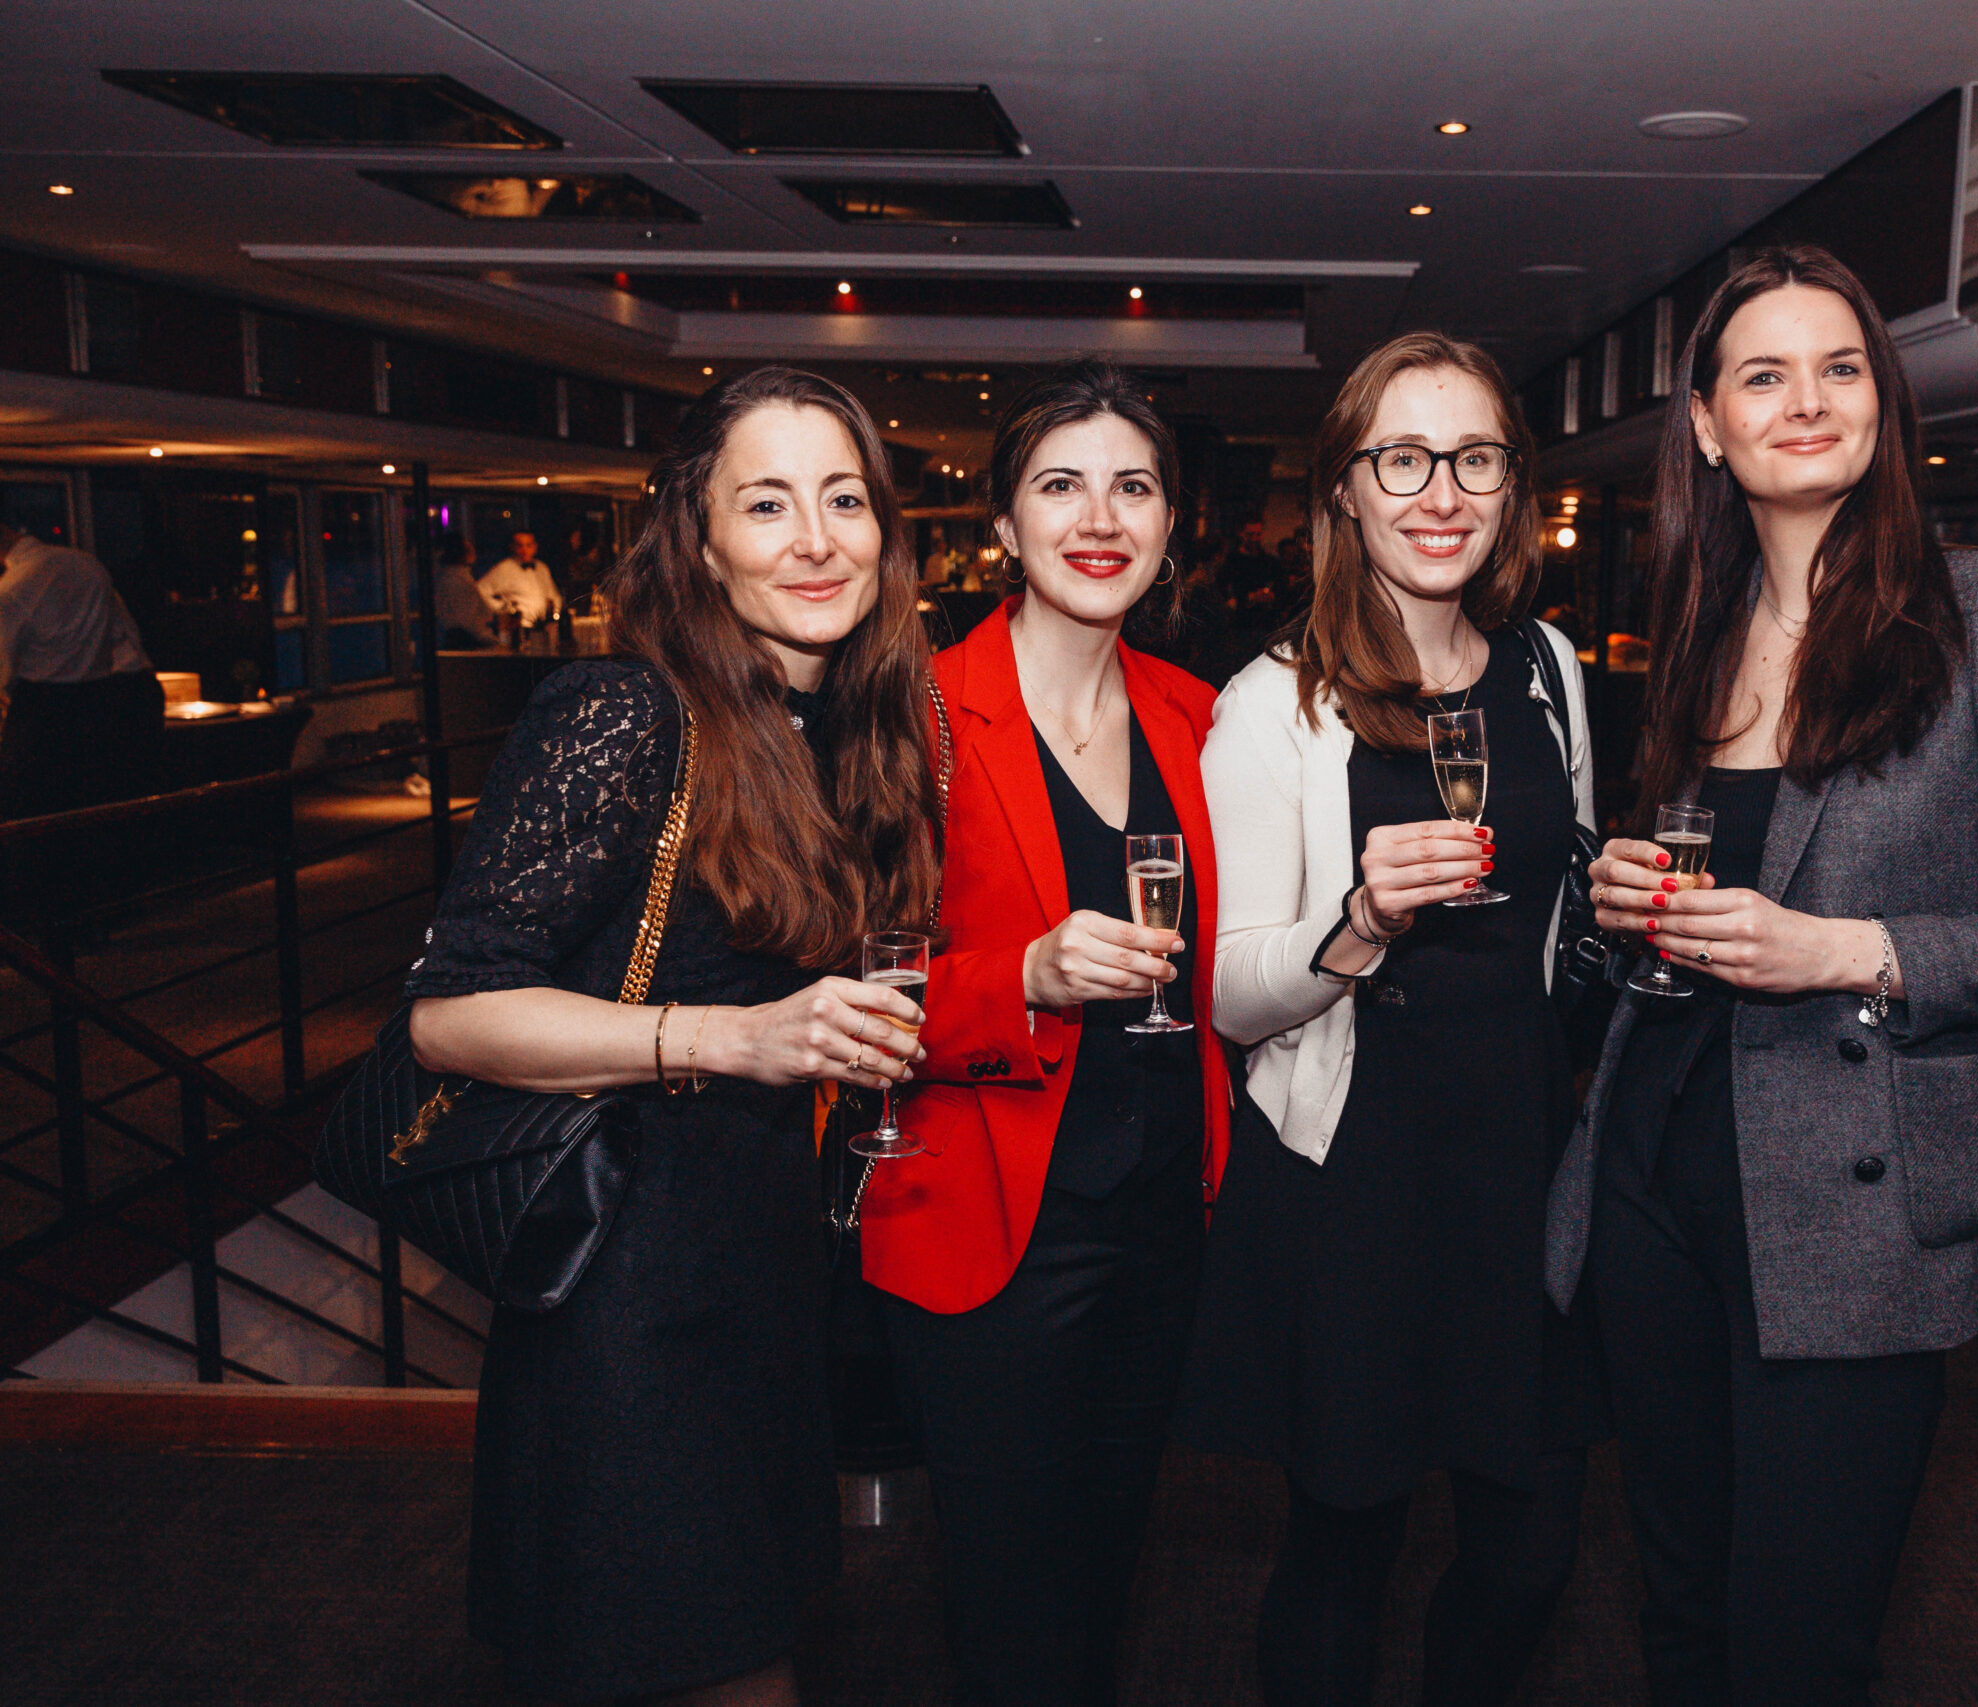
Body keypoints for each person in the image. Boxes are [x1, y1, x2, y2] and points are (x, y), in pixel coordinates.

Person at [1547, 245, 1978, 1706]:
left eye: (1840, 366)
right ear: (1706, 424)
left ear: (1884, 398)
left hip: (1849, 1209)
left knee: (1800, 1642)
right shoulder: (1699, 630)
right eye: (1764, 375)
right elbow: (1708, 894)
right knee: (1679, 1607)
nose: (1806, 401)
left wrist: (1845, 951)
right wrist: (1629, 900)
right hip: (1654, 1171)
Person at [406, 367, 943, 1706]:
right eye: (767, 504)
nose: (815, 539)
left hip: (757, 1286)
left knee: (749, 1649)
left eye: (844, 500)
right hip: (624, 1307)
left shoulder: (828, 727)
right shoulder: (624, 713)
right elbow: (450, 1013)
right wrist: (737, 1038)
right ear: (699, 543)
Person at [1182, 332, 1597, 1707]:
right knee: (1344, 1546)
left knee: (1532, 1546)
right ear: (1345, 489)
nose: (1441, 493)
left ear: (1511, 484)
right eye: (1402, 459)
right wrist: (1357, 921)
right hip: (1356, 1170)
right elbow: (1231, 990)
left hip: (1521, 1154)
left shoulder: (1546, 665)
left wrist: (1622, 897)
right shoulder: (1274, 701)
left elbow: (1563, 884)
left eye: (1474, 458)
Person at [858, 361, 1228, 1707]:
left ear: (1171, 525)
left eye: (1134, 487)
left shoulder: (1198, 714)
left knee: (1111, 1561)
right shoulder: (915, 715)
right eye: (1061, 485)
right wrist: (1022, 972)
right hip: (992, 1222)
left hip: (1163, 1213)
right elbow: (842, 978)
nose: (1100, 517)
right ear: (1005, 524)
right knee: (1012, 1595)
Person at [0, 520, 159, 819]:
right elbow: (127, 637)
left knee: (35, 816)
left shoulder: (12, 589)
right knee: (98, 811)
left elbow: (3, 674)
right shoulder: (88, 565)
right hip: (102, 703)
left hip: (41, 714)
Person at [478, 529, 564, 625]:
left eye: (528, 545)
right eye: (519, 545)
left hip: (543, 625)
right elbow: (480, 591)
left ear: (535, 547)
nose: (524, 550)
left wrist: (555, 613)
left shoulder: (542, 568)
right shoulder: (504, 568)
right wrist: (502, 608)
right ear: (512, 547)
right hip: (518, 626)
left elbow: (553, 595)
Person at [431, 533, 497, 648]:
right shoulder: (458, 581)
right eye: (468, 549)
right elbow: (467, 621)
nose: (473, 551)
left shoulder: (449, 577)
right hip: (465, 641)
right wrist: (491, 640)